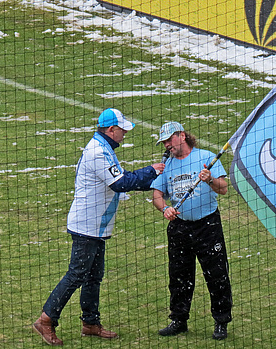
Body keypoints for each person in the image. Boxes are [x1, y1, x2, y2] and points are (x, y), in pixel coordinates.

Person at [33, 108, 165, 346]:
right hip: (87, 226)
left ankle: (90, 323)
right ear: (111, 129)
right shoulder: (98, 152)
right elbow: (121, 183)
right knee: (76, 275)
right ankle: (46, 320)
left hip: (95, 226)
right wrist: (151, 171)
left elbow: (122, 179)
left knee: (93, 277)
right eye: (122, 130)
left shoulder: (103, 148)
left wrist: (153, 179)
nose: (124, 134)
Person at [152, 122, 232, 340]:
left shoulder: (205, 157)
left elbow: (223, 189)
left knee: (216, 275)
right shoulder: (166, 164)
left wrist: (210, 180)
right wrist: (165, 208)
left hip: (207, 225)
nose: (167, 145)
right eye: (165, 142)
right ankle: (179, 319)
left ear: (182, 136)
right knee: (179, 276)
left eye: (170, 140)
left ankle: (221, 321)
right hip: (179, 228)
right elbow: (157, 195)